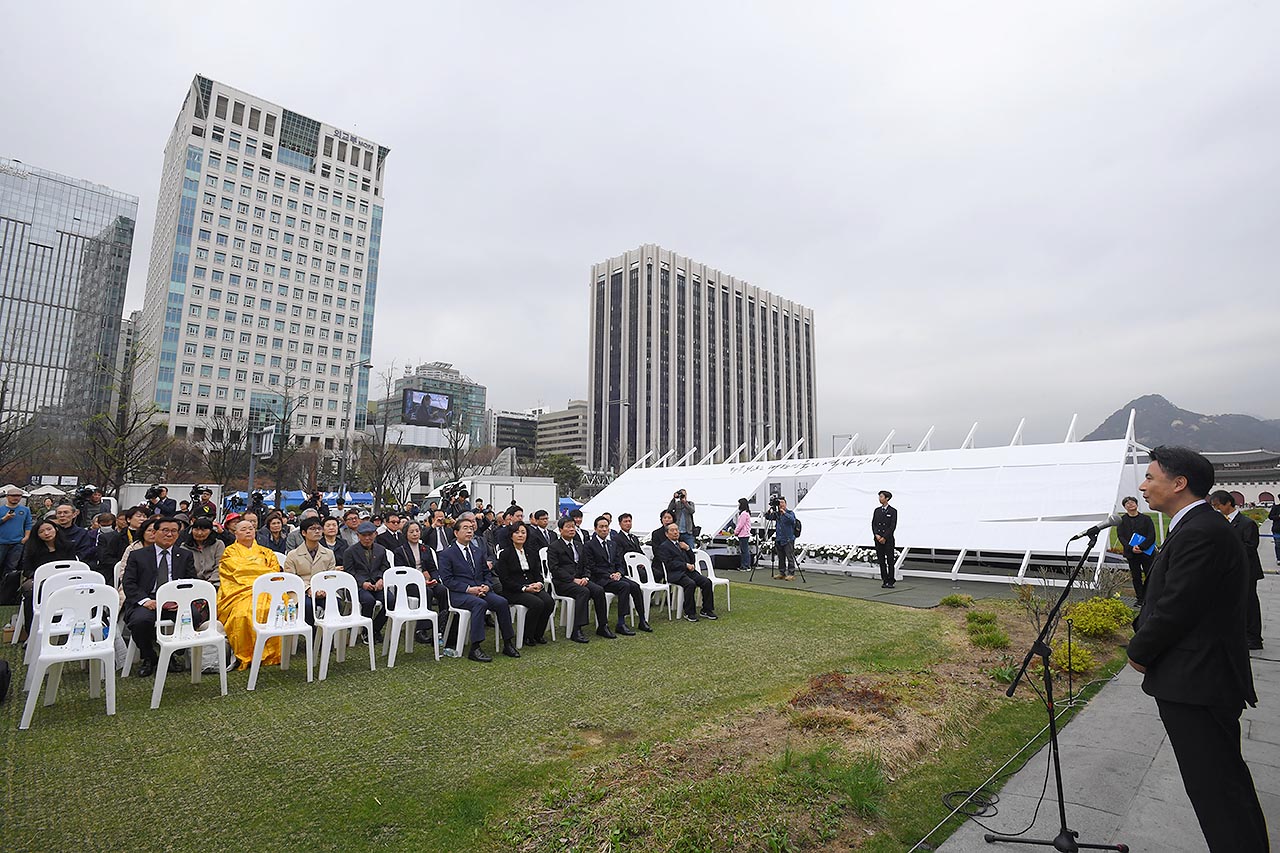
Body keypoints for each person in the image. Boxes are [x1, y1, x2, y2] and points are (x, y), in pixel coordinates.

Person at [1128, 446, 1266, 853]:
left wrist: (1139, 650)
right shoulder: (1195, 526)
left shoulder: (1202, 531)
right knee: (1218, 787)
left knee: (1218, 790)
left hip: (1199, 682)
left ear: (1179, 482)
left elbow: (1177, 606)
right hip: (1196, 680)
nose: (1143, 484)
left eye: (1151, 477)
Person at [121, 518, 197, 677]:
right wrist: (145, 601)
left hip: (175, 600)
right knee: (140, 622)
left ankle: (172, 653)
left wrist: (181, 600)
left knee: (195, 616)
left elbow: (191, 581)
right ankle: (149, 656)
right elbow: (129, 583)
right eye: (165, 530)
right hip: (147, 599)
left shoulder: (184, 555)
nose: (169, 534)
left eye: (174, 531)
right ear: (154, 533)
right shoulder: (137, 555)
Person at [437, 518, 519, 662]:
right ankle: (475, 647)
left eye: (471, 528)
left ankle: (508, 643)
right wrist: (469, 589)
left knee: (501, 602)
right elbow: (447, 580)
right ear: (456, 532)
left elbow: (486, 573)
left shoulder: (477, 551)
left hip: (481, 590)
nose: (469, 531)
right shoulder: (446, 554)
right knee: (479, 604)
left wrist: (487, 585)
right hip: (460, 594)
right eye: (465, 528)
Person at [217, 520, 285, 671]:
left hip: (267, 590)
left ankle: (273, 654)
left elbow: (275, 572)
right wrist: (262, 573)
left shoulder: (266, 552)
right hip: (239, 591)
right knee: (243, 614)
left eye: (251, 528)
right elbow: (236, 572)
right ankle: (247, 654)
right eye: (243, 529)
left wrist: (259, 575)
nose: (248, 531)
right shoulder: (229, 552)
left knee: (272, 609)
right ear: (236, 533)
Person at [1210, 491, 1265, 651]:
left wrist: (1226, 551)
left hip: (1246, 571)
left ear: (1228, 503)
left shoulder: (1247, 523)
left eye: (1218, 506)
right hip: (1228, 572)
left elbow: (1249, 547)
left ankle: (1254, 638)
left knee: (1249, 603)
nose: (1216, 509)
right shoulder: (1221, 522)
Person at [547, 517, 612, 643]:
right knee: (583, 592)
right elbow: (555, 569)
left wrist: (586, 577)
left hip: (581, 580)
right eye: (568, 527)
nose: (571, 529)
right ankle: (577, 629)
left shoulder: (579, 545)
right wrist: (573, 579)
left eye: (573, 526)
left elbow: (586, 565)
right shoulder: (554, 547)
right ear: (560, 530)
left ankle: (603, 626)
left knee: (598, 590)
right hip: (563, 582)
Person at [585, 516, 651, 635]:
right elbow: (592, 567)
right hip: (601, 578)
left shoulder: (612, 544)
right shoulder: (589, 545)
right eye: (601, 527)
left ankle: (642, 619)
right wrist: (609, 575)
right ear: (595, 529)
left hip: (615, 576)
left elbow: (619, 562)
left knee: (635, 586)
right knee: (624, 586)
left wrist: (619, 572)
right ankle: (621, 622)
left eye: (606, 526)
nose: (604, 529)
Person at [493, 523, 555, 646]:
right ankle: (527, 635)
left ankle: (538, 634)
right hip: (513, 590)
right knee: (536, 603)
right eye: (517, 532)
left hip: (532, 586)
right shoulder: (505, 554)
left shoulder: (532, 552)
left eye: (523, 532)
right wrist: (524, 588)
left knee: (549, 601)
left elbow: (537, 573)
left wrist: (539, 584)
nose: (520, 535)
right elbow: (505, 579)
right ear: (511, 536)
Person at [392, 520, 450, 644]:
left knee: (442, 590)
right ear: (405, 534)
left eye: (417, 531)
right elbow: (401, 572)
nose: (415, 534)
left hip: (427, 581)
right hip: (409, 584)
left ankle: (442, 623)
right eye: (411, 532)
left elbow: (433, 568)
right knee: (427, 592)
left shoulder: (426, 549)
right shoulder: (399, 551)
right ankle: (421, 629)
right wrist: (420, 580)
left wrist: (434, 578)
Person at [17, 519, 77, 639]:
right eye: (41, 531)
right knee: (30, 595)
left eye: (49, 529)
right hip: (40, 582)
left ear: (56, 529)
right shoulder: (32, 548)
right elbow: (27, 569)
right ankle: (32, 634)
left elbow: (73, 565)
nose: (46, 533)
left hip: (64, 581)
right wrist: (42, 577)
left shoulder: (68, 545)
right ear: (37, 535)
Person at [342, 521, 393, 642]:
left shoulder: (381, 550)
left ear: (375, 534)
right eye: (364, 535)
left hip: (376, 584)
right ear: (358, 535)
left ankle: (375, 628)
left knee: (391, 600)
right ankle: (366, 631)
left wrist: (381, 579)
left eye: (370, 534)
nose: (367, 538)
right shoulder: (350, 552)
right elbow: (349, 572)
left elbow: (385, 567)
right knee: (368, 601)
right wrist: (362, 583)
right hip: (357, 586)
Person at [656, 522, 717, 622]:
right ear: (667, 534)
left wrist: (688, 549)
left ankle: (707, 609)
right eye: (672, 530)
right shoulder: (664, 547)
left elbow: (692, 559)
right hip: (675, 574)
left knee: (706, 582)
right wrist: (685, 565)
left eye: (677, 530)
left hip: (689, 572)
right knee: (690, 584)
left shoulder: (682, 544)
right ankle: (689, 612)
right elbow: (669, 564)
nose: (675, 532)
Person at [283, 517, 335, 626]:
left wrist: (324, 589)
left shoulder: (329, 553)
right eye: (312, 528)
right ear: (303, 533)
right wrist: (309, 589)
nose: (317, 531)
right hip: (300, 591)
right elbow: (291, 578)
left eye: (319, 528)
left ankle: (327, 634)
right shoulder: (293, 555)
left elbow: (330, 576)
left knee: (335, 603)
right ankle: (311, 633)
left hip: (323, 590)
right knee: (307, 605)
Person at [1116, 496, 1157, 605]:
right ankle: (1140, 598)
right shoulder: (1122, 521)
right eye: (1127, 503)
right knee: (1136, 576)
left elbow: (1151, 535)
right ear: (1124, 507)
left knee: (1150, 574)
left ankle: (1151, 597)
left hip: (1146, 552)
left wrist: (1142, 547)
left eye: (1132, 502)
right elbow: (1121, 536)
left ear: (1137, 504)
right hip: (1131, 553)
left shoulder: (1146, 519)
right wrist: (1131, 548)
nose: (1131, 504)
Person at [0, 487, 34, 593]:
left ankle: (7, 591)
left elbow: (28, 524)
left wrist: (26, 537)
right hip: (1, 542)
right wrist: (4, 519)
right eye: (13, 496)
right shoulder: (1, 509)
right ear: (7, 497)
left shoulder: (25, 510)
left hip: (17, 543)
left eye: (18, 496)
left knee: (11, 568)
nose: (16, 498)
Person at [181, 517, 226, 589]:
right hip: (192, 584)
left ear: (210, 531)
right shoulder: (184, 546)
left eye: (203, 530)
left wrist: (210, 583)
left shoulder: (218, 544)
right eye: (196, 529)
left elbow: (220, 566)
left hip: (214, 583)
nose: (199, 533)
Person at [765, 497, 797, 581]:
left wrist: (784, 513)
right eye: (780, 503)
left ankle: (791, 573)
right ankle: (782, 573)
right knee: (781, 557)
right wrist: (770, 510)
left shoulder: (790, 513)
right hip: (779, 538)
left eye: (782, 503)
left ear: (785, 504)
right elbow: (768, 517)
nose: (781, 504)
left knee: (789, 557)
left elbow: (792, 521)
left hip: (788, 538)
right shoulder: (777, 514)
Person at [872, 490, 898, 588]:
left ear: (887, 498)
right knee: (881, 560)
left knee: (890, 560)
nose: (880, 498)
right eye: (879, 497)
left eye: (881, 497)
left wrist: (884, 537)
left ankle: (891, 580)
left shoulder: (893, 511)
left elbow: (892, 526)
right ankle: (884, 579)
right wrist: (876, 535)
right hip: (878, 539)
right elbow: (873, 524)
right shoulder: (877, 510)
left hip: (888, 539)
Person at [92, 512, 124, 587]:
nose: (106, 527)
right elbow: (103, 556)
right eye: (103, 525)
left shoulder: (121, 536)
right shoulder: (92, 534)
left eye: (108, 525)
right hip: (101, 566)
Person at [648, 509, 680, 582]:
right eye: (664, 518)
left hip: (674, 563)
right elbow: (656, 551)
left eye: (669, 518)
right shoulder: (656, 533)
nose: (667, 520)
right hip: (660, 562)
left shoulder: (676, 532)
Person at [734, 498, 753, 571]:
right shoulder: (745, 513)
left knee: (744, 551)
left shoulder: (744, 514)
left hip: (743, 534)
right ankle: (745, 565)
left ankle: (746, 566)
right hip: (744, 534)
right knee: (744, 550)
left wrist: (736, 532)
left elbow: (740, 524)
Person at [1270, 503, 1280, 568]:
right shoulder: (1275, 507)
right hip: (1277, 529)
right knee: (1278, 545)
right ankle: (1279, 558)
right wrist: (1278, 516)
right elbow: (1270, 516)